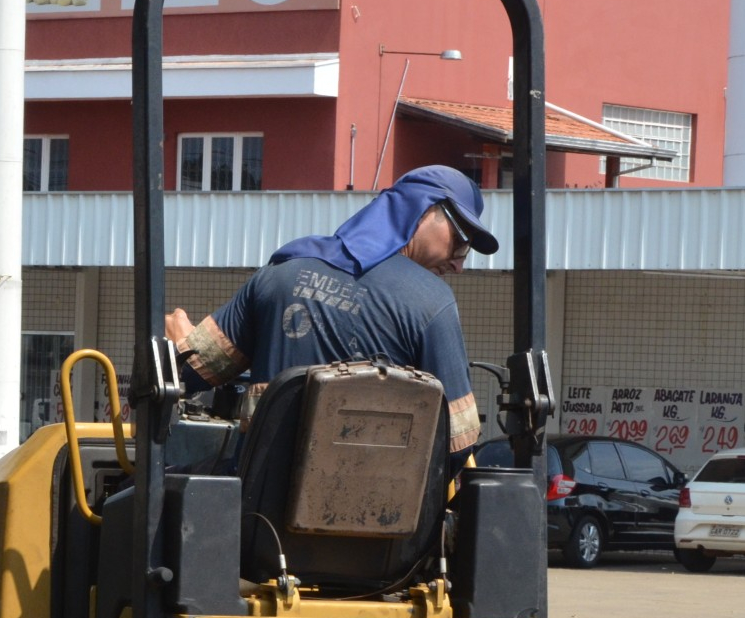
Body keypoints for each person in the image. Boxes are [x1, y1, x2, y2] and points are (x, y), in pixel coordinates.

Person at [167, 164, 498, 459]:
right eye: (461, 240)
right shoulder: (432, 303)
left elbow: (188, 372)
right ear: (423, 210)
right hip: (382, 521)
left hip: (257, 516)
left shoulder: (280, 273)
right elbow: (459, 444)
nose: (459, 264)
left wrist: (182, 344)